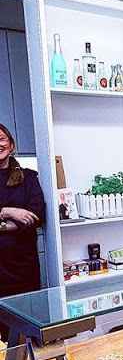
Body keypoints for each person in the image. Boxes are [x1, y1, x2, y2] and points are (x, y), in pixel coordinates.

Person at [0, 123, 46, 301]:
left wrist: (2, 226)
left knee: (28, 312)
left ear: (11, 145)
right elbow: (23, 218)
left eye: (2, 139)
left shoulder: (28, 178)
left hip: (23, 266)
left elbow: (37, 215)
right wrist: (8, 212)